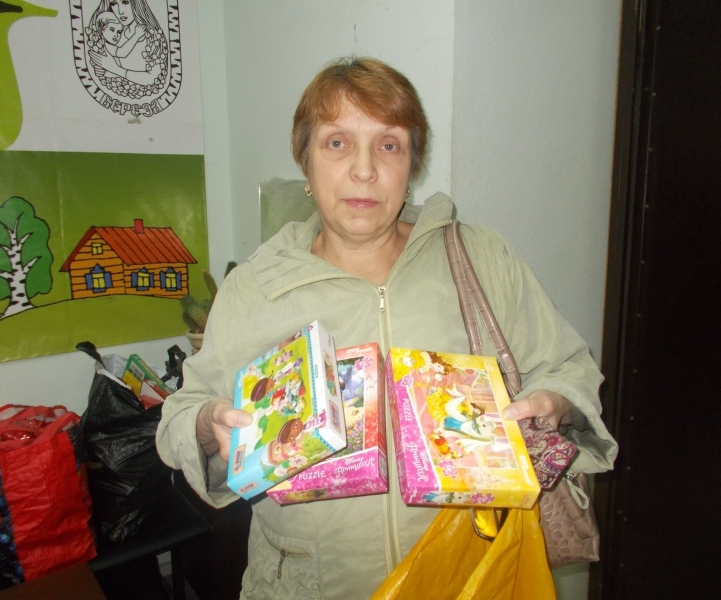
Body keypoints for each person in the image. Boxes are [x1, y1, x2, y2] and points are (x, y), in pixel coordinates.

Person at [156, 56, 618, 599]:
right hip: (311, 586)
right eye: (337, 143)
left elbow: (568, 367)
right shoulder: (255, 287)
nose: (365, 169)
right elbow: (179, 416)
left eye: (389, 145)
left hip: (466, 575)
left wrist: (556, 402)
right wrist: (207, 423)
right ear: (306, 162)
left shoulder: (479, 258)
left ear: (411, 164)